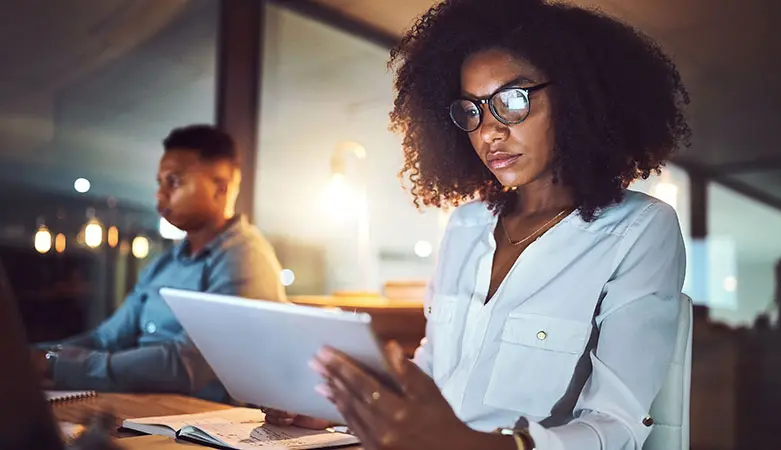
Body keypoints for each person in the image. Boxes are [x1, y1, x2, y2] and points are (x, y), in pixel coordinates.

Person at [264, 0, 690, 449]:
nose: (488, 131)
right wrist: (342, 407)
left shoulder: (640, 230)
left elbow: (615, 426)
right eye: (472, 110)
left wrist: (465, 443)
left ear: (577, 99)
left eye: (512, 101)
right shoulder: (466, 225)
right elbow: (435, 374)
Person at [32, 124, 287, 402]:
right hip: (145, 406)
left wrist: (57, 365)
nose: (160, 194)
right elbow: (107, 338)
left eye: (173, 182)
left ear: (220, 189)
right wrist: (37, 356)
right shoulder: (165, 263)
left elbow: (187, 365)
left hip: (199, 418)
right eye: (160, 183)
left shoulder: (244, 259)